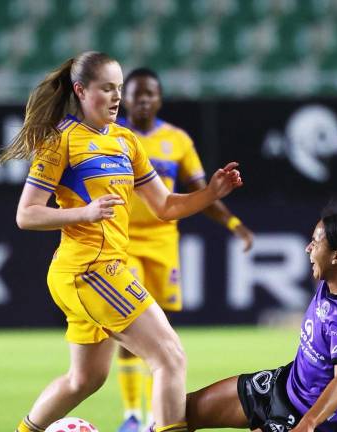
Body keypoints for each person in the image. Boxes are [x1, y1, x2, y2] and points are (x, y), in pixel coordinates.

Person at [0, 51, 243, 432]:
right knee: (170, 357)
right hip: (89, 270)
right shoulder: (60, 141)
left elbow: (164, 205)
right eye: (107, 88)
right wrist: (84, 212)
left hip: (98, 270)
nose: (116, 97)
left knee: (86, 380)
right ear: (80, 91)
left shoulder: (126, 141)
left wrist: (210, 193)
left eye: (119, 88)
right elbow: (26, 214)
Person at [114, 67, 255, 432]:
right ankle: (134, 414)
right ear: (124, 98)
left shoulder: (176, 140)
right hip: (122, 242)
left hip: (163, 244)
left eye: (150, 94)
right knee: (132, 323)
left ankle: (153, 414)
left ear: (159, 99)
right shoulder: (114, 137)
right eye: (136, 93)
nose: (143, 99)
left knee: (158, 331)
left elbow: (201, 192)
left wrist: (233, 224)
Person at [184, 204, 337, 432]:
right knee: (182, 411)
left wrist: (308, 424)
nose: (308, 248)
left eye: (315, 243)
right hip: (282, 385)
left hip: (304, 416)